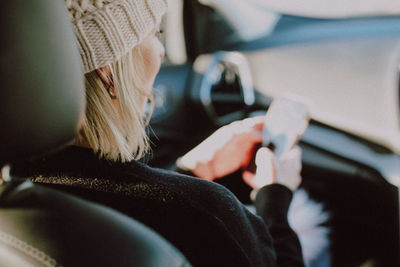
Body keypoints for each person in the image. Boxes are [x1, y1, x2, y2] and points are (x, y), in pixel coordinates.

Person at [13, 0, 305, 266]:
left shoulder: (16, 197)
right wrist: (275, 201)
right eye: (155, 33)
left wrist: (191, 171)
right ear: (107, 70)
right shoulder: (206, 217)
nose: (162, 51)